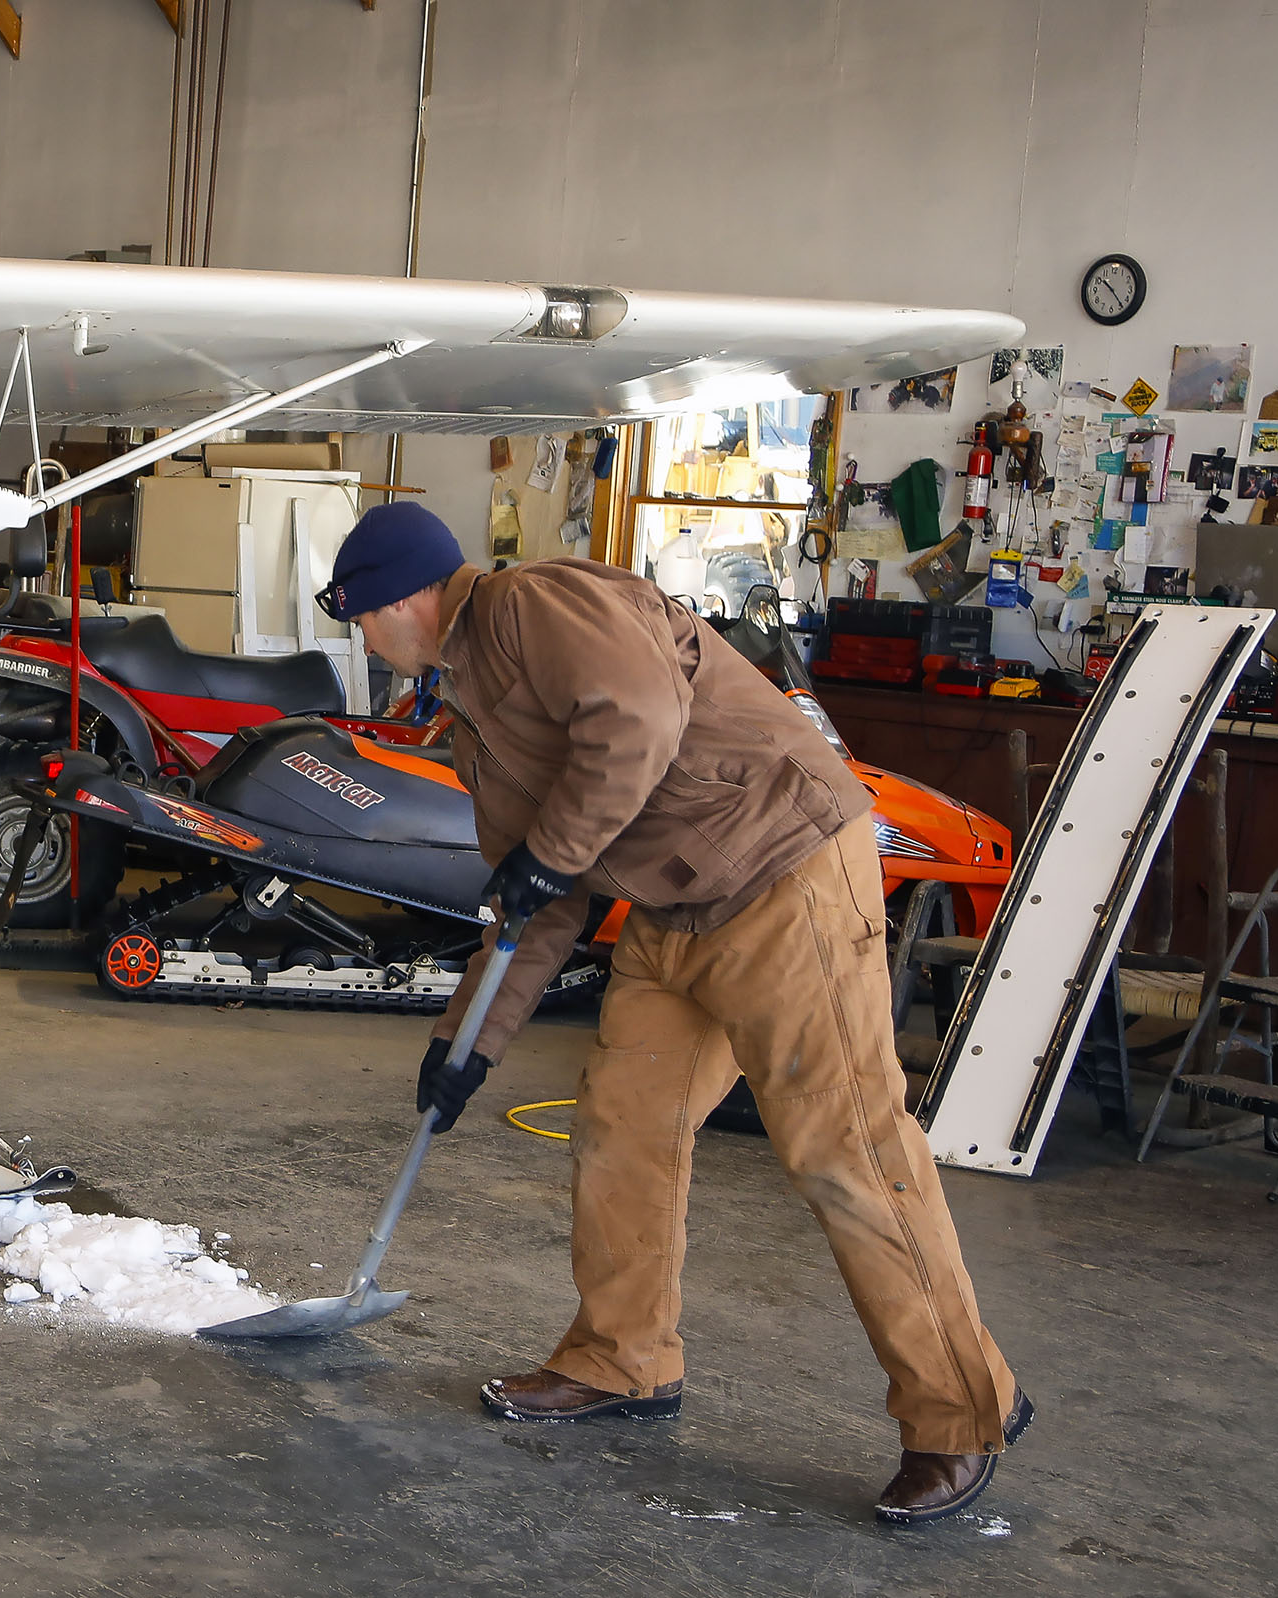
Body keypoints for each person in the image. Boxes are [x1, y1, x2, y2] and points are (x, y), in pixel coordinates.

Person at [319, 500, 1029, 1525]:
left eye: (358, 618)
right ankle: (622, 1357)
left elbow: (637, 720)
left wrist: (551, 855)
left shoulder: (533, 605)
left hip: (782, 871)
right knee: (624, 1122)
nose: (363, 638)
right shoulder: (468, 714)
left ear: (399, 600)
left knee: (844, 1149)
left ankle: (960, 1411)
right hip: (672, 903)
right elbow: (535, 899)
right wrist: (466, 1040)